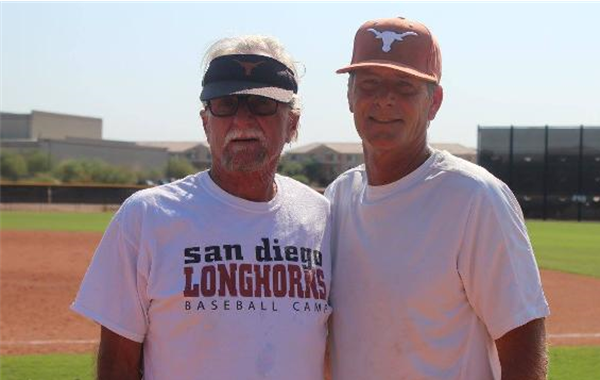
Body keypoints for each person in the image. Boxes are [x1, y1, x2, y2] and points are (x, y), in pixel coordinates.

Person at [72, 35, 332, 380]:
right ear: (205, 122)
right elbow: (117, 364)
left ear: (293, 124)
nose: (242, 121)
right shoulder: (146, 217)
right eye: (225, 104)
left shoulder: (323, 218)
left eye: (262, 104)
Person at [325, 17, 550, 380]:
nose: (385, 99)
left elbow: (523, 340)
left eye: (405, 86)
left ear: (435, 102)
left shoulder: (475, 197)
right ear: (350, 97)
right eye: (369, 84)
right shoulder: (338, 197)